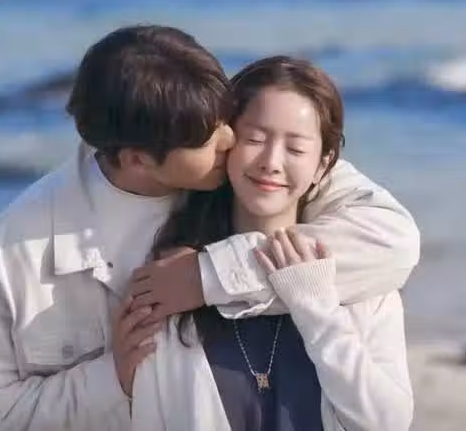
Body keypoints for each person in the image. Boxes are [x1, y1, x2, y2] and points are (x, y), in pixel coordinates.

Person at [0, 25, 419, 431]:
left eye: (225, 117)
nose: (232, 140)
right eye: (211, 137)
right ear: (139, 160)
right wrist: (111, 381)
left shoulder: (257, 172)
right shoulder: (15, 250)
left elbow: (392, 239)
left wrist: (208, 276)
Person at [131, 56, 412, 431]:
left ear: (323, 165)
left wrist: (315, 307)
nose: (271, 162)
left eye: (295, 149)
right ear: (226, 142)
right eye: (255, 139)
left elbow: (386, 422)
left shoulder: (364, 284)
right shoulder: (172, 278)